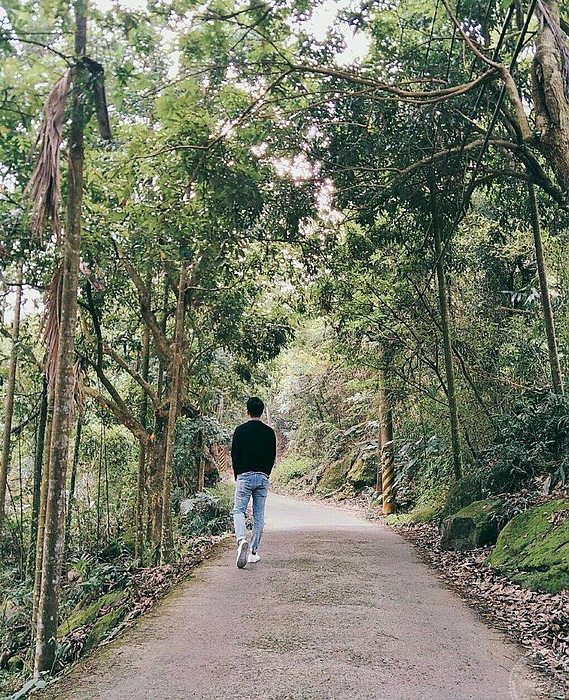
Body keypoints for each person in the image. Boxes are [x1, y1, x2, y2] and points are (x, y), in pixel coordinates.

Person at [231, 397, 276, 569]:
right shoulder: (269, 432)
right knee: (259, 514)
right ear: (262, 412)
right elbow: (272, 455)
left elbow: (235, 455)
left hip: (244, 475)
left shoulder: (240, 431)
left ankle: (241, 540)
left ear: (247, 411)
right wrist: (266, 473)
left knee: (239, 510)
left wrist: (237, 474)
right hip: (262, 476)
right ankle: (253, 552)